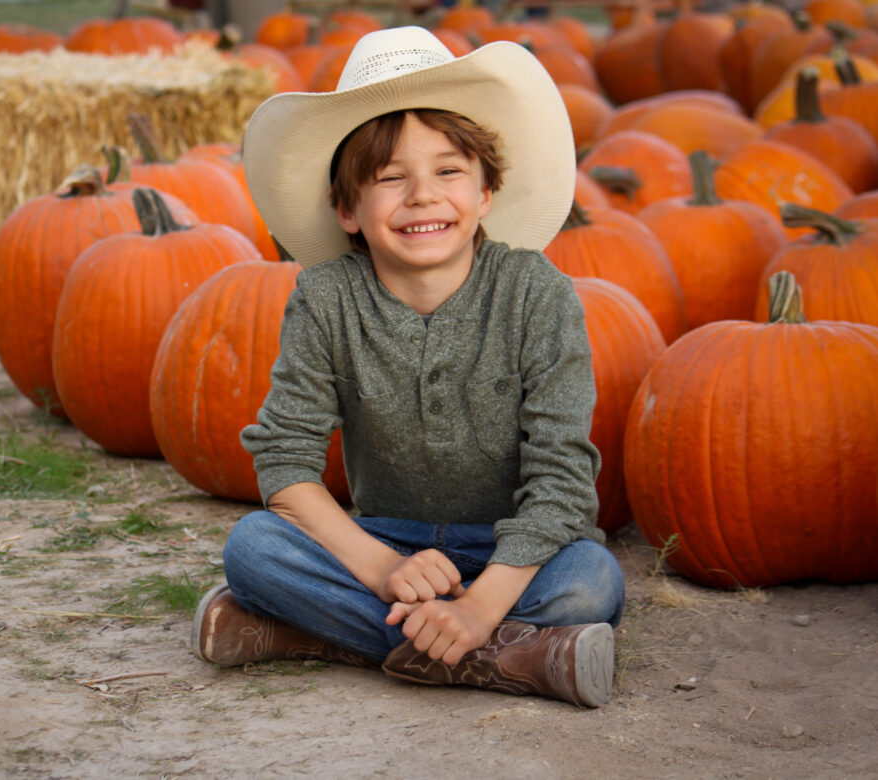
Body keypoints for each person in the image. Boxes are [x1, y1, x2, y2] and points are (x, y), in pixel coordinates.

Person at [190, 26, 625, 708]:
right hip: (384, 541)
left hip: (511, 548)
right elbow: (284, 465)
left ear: (486, 192)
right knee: (254, 548)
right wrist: (385, 569)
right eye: (391, 178)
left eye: (449, 171)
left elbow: (564, 483)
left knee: (592, 580)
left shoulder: (536, 295)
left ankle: (318, 637)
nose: (423, 195)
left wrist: (479, 606)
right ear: (348, 209)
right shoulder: (327, 298)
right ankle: (509, 659)